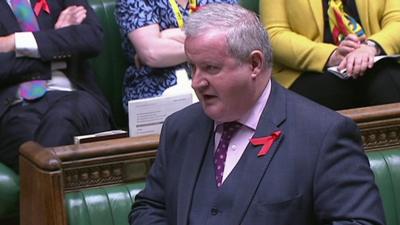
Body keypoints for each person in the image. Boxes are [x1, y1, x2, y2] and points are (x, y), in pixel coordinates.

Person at [129, 4, 385, 225]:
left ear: (254, 64)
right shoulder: (180, 127)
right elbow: (149, 207)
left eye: (210, 68)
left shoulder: (323, 135)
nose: (197, 82)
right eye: (192, 67)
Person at [0, 0, 114, 172]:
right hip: (16, 108)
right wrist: (56, 43)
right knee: (38, 141)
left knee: (61, 119)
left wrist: (15, 42)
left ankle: (39, 191)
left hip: (76, 99)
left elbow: (91, 38)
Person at [260, 0, 400, 110]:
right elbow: (274, 34)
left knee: (387, 81)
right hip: (309, 72)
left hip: (376, 62)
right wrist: (331, 55)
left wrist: (370, 47)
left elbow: (396, 20)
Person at [115, 0, 237, 111]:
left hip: (216, 83)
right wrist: (212, 44)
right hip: (157, 88)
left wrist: (165, 36)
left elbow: (235, 38)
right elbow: (152, 53)